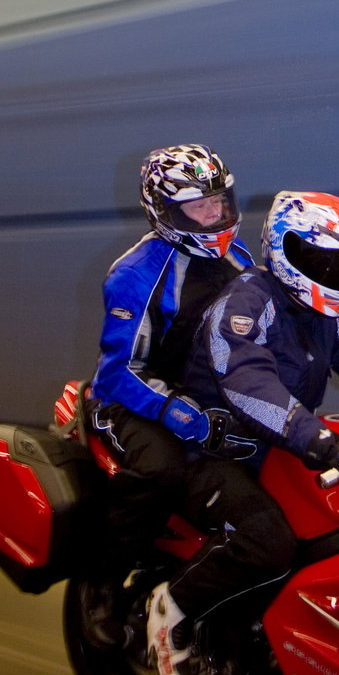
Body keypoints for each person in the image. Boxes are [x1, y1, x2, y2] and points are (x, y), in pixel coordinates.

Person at [144, 191, 339, 675]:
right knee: (269, 541)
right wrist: (327, 443)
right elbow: (250, 386)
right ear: (286, 253)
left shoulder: (327, 312)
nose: (336, 275)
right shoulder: (244, 306)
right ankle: (172, 608)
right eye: (324, 262)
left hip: (276, 450)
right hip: (213, 452)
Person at [88, 144, 257, 577]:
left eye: (219, 200)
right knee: (160, 470)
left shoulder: (239, 258)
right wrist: (181, 413)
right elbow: (120, 370)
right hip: (131, 403)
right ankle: (104, 578)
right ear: (165, 211)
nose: (214, 214)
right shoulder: (135, 274)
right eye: (199, 206)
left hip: (210, 401)